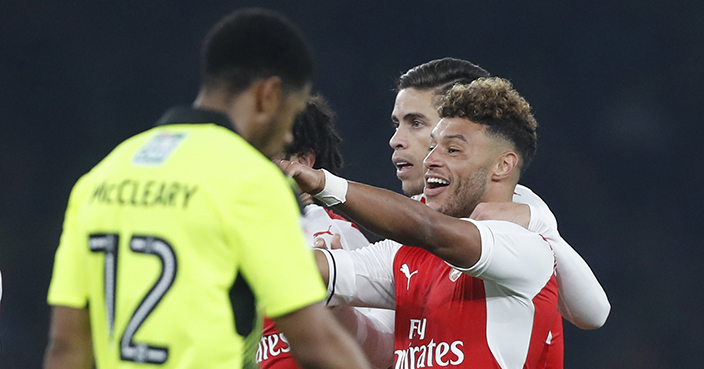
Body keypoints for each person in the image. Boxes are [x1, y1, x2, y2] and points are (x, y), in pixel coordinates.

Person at [43, 8, 371, 369]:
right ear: (269, 95)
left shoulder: (101, 178)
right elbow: (317, 343)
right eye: (291, 116)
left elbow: (65, 348)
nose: (289, 135)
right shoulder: (252, 182)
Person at [281, 77, 561, 368]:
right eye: (431, 148)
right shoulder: (403, 254)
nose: (430, 160)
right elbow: (316, 268)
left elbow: (429, 228)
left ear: (503, 165)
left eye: (452, 150)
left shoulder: (523, 249)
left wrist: (322, 183)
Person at [258, 95, 394, 369]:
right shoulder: (243, 239)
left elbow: (384, 349)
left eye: (265, 156)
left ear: (304, 160)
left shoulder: (338, 234)